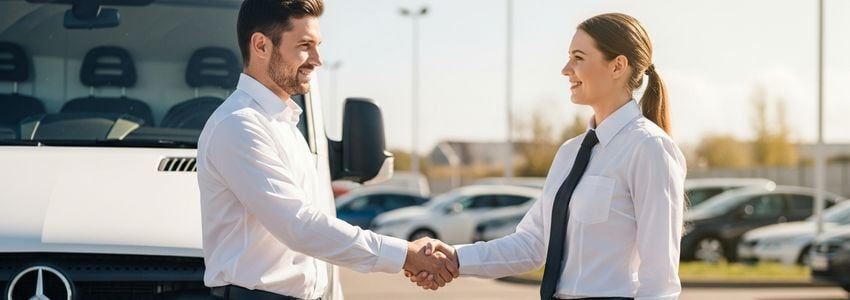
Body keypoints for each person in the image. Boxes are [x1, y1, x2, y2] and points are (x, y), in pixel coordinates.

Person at [409, 13, 686, 300]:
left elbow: (660, 281)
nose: (566, 69)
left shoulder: (650, 148)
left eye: (578, 57)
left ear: (618, 66)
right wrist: (455, 258)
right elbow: (533, 243)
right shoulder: (570, 152)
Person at [196, 0, 457, 299]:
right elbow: (300, 226)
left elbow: (316, 230)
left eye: (318, 45)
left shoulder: (285, 125)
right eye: (305, 45)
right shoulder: (239, 126)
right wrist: (404, 255)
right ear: (261, 45)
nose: (318, 59)